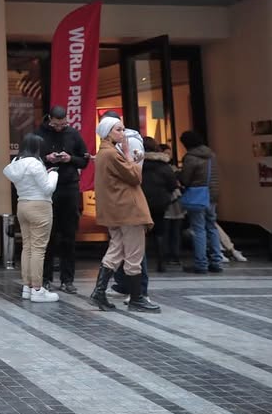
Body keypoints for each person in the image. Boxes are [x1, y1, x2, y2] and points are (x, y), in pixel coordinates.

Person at [89, 116, 160, 312]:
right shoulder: (113, 154)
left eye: (122, 128)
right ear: (108, 133)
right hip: (129, 210)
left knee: (116, 251)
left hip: (116, 211)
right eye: (118, 129)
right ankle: (137, 298)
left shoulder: (103, 153)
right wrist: (129, 156)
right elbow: (135, 176)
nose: (123, 133)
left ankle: (99, 292)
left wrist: (129, 160)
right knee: (134, 255)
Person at [35, 106, 90, 294]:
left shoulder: (73, 134)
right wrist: (46, 158)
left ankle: (67, 279)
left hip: (69, 186)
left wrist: (70, 158)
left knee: (69, 235)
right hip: (47, 188)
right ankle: (46, 278)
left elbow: (84, 160)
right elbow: (30, 159)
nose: (59, 127)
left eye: (63, 124)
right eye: (56, 125)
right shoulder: (40, 134)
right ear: (49, 119)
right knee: (47, 234)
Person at [3, 133, 59, 302]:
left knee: (27, 247)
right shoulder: (35, 163)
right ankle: (37, 289)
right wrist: (53, 175)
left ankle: (27, 287)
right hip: (40, 206)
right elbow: (47, 188)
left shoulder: (16, 163)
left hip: (22, 205)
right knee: (38, 249)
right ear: (36, 148)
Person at [180, 130, 222, 273]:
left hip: (198, 196)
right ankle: (217, 261)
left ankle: (201, 263)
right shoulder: (211, 155)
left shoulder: (190, 157)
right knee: (212, 227)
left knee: (198, 229)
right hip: (212, 195)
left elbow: (185, 179)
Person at [140, 137, 177, 272]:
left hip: (140, 201)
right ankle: (161, 261)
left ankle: (140, 263)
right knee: (160, 231)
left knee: (140, 232)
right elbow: (172, 184)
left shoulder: (137, 164)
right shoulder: (163, 165)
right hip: (160, 201)